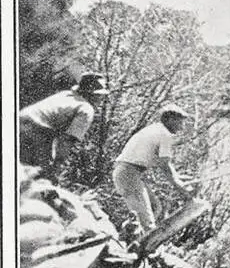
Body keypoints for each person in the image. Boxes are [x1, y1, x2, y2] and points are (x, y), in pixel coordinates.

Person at [112, 104, 193, 233]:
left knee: (155, 208)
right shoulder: (165, 134)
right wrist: (182, 190)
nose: (181, 127)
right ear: (170, 120)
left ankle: (129, 239)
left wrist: (178, 178)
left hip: (126, 172)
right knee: (146, 222)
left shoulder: (155, 129)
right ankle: (142, 248)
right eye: (179, 122)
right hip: (129, 174)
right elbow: (165, 166)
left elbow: (164, 163)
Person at [19, 72, 109, 179]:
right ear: (93, 95)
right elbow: (66, 140)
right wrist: (56, 167)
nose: (102, 99)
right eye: (100, 96)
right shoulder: (86, 108)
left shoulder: (66, 94)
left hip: (20, 120)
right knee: (40, 177)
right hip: (36, 131)